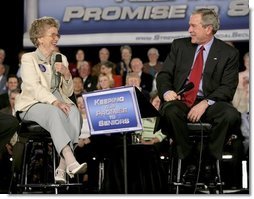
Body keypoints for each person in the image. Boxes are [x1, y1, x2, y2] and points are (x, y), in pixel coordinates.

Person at [156, 8, 241, 171]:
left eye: (193, 26)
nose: (189, 30)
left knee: (230, 115)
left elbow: (228, 87)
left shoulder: (228, 53)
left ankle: (208, 159)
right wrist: (167, 91)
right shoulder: (179, 46)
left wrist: (205, 104)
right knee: (170, 111)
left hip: (211, 103)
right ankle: (188, 156)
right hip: (181, 100)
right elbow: (164, 74)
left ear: (208, 29)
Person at [14, 16, 87, 184]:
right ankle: (70, 158)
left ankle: (62, 168)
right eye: (52, 35)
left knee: (75, 113)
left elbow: (67, 92)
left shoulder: (61, 58)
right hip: (32, 104)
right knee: (55, 112)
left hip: (58, 102)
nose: (56, 38)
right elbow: (33, 86)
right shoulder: (28, 58)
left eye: (57, 35)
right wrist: (54, 102)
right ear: (40, 38)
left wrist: (67, 75)